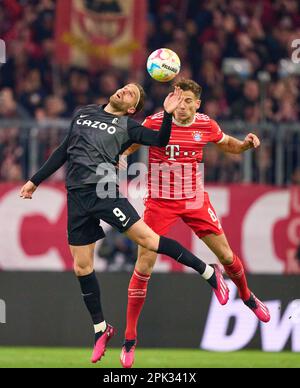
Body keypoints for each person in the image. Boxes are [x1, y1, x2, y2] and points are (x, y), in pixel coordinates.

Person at [20, 83, 229, 364]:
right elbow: (63, 150)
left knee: (149, 240)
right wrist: (35, 180)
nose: (123, 91)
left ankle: (208, 272)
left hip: (104, 194)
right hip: (77, 198)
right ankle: (101, 329)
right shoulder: (84, 113)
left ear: (132, 108)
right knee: (81, 266)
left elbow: (160, 141)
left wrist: (167, 115)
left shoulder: (127, 126)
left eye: (131, 93)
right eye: (124, 87)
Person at [120, 79, 270, 369]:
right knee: (143, 266)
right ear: (172, 99)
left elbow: (228, 145)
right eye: (179, 99)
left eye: (189, 100)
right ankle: (129, 340)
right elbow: (130, 144)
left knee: (227, 256)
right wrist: (120, 159)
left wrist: (246, 145)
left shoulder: (206, 125)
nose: (183, 105)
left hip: (194, 200)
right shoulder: (155, 122)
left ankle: (248, 297)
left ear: (197, 104)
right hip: (160, 203)